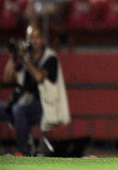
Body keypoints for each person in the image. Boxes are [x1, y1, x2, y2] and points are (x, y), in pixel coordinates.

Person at [1, 24, 71, 156]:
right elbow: (8, 78)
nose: (33, 41)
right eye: (30, 38)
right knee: (12, 108)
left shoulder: (50, 57)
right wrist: (13, 56)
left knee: (19, 109)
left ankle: (24, 152)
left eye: (36, 37)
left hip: (45, 105)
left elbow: (39, 77)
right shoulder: (27, 57)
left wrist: (26, 59)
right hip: (26, 102)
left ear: (42, 39)